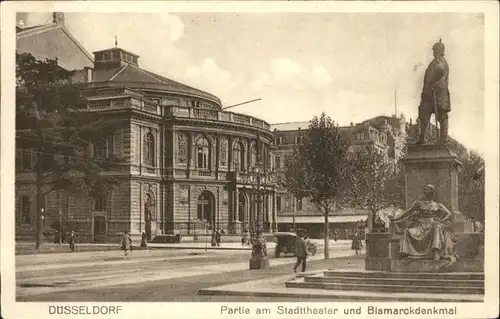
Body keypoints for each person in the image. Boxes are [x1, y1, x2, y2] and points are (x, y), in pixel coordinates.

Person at [389, 184, 455, 261]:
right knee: (407, 231)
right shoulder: (418, 203)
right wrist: (396, 218)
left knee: (437, 226)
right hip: (420, 225)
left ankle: (435, 251)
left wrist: (442, 220)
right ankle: (407, 253)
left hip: (432, 224)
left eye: (427, 189)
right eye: (424, 189)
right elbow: (408, 212)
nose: (425, 191)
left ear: (432, 192)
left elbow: (449, 214)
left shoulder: (437, 205)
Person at [417, 39, 451, 144]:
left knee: (441, 115)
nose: (433, 52)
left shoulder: (439, 61)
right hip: (431, 94)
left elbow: (439, 70)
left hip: (437, 93)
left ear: (439, 50)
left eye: (434, 50)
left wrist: (432, 81)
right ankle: (424, 137)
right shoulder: (437, 61)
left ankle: (442, 138)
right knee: (425, 113)